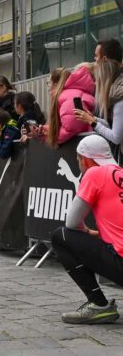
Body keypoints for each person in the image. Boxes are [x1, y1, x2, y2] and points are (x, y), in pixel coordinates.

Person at [51, 135, 123, 324]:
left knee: (61, 236)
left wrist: (87, 231)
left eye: (78, 160)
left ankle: (98, 304)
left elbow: (72, 222)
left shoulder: (95, 173)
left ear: (85, 160)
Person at [75, 56, 123, 158]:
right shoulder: (116, 97)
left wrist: (92, 122)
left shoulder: (119, 100)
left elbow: (116, 137)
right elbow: (113, 127)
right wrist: (93, 118)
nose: (95, 83)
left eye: (97, 79)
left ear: (105, 79)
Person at [47, 64, 95, 148]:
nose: (48, 87)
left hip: (83, 147)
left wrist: (52, 137)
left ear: (55, 84)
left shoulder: (69, 96)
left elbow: (71, 128)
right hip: (86, 145)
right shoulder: (71, 93)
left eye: (48, 83)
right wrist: (44, 130)